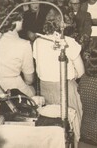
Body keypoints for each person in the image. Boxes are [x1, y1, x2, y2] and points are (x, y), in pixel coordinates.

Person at [33, 8, 84, 142]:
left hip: (45, 88)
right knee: (73, 127)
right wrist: (73, 75)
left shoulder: (37, 42)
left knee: (53, 130)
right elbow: (82, 71)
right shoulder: (68, 42)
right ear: (62, 24)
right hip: (66, 89)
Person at [0, 7, 35, 97]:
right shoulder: (24, 44)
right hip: (14, 89)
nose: (22, 21)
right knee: (32, 91)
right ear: (14, 22)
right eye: (21, 19)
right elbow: (29, 80)